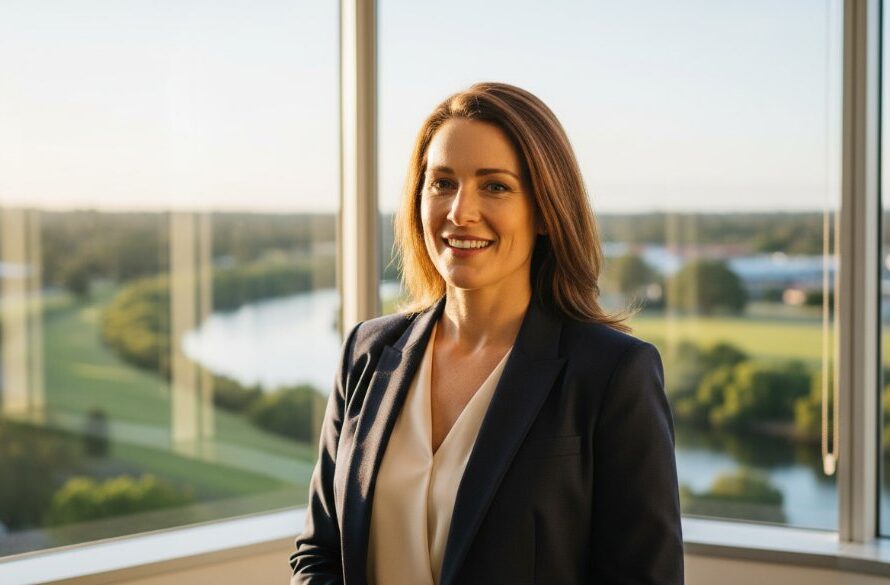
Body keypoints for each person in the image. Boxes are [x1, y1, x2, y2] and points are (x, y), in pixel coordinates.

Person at [290, 82, 684, 585]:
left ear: (544, 210)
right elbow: (318, 554)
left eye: (494, 185)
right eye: (442, 182)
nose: (460, 211)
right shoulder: (367, 352)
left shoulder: (611, 374)